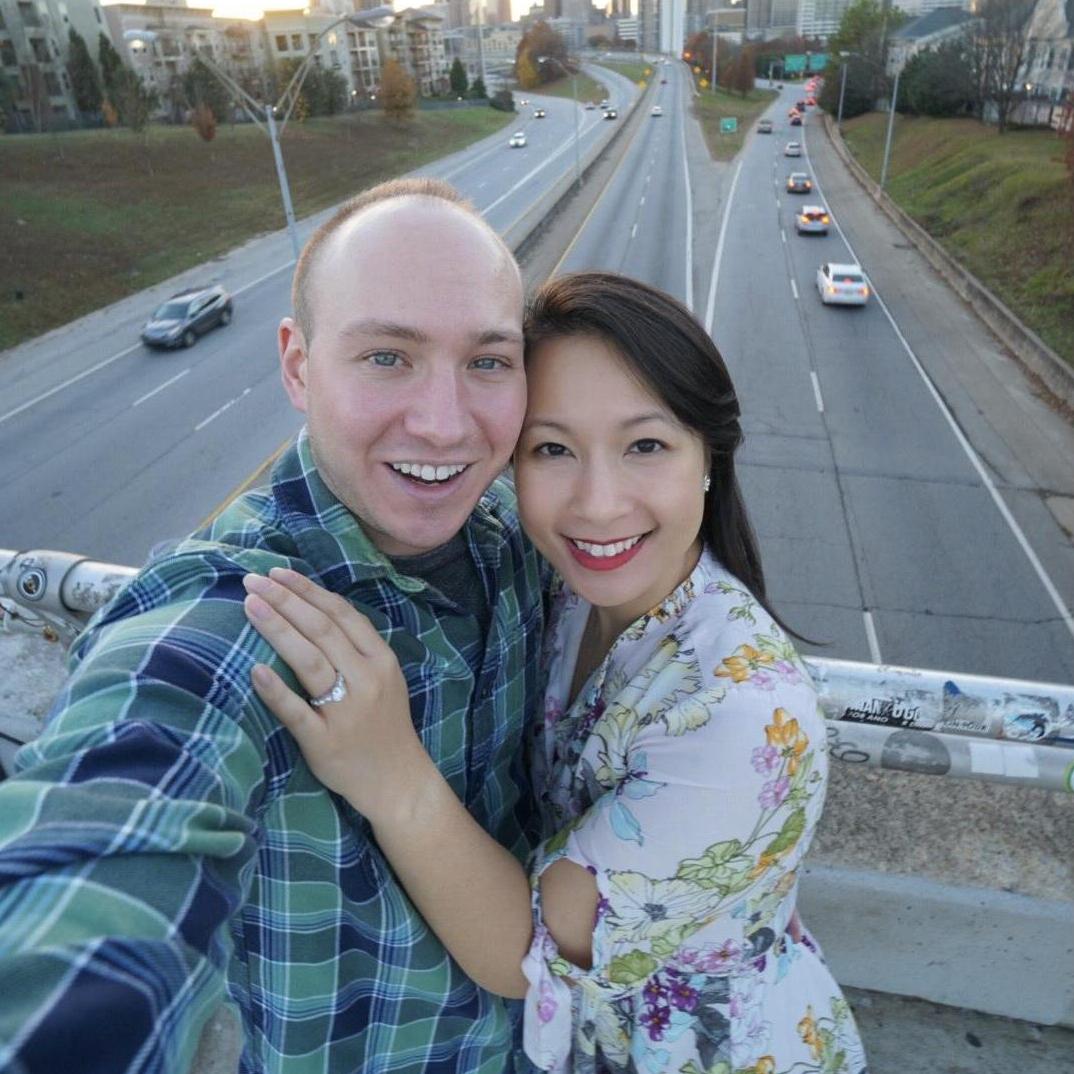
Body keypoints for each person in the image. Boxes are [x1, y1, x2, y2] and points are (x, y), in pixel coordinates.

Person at [241, 272, 869, 1074]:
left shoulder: (741, 716)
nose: (598, 505)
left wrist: (390, 774)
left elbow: (525, 950)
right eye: (552, 449)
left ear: (708, 458)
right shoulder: (564, 588)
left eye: (646, 446)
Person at [0, 178, 545, 1074]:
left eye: (488, 361)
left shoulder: (520, 543)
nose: (446, 425)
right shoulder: (241, 616)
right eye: (386, 357)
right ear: (297, 365)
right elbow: (114, 832)